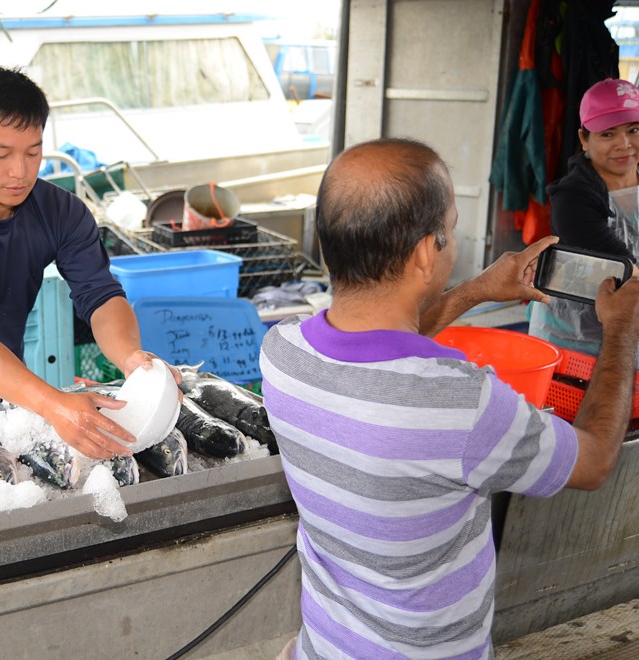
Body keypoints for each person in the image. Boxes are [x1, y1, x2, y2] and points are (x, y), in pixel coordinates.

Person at [261, 138, 639, 659]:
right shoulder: (463, 402)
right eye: (451, 229)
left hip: (327, 646)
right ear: (424, 252)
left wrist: (476, 290)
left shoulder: (282, 351)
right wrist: (621, 331)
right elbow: (594, 459)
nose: (453, 243)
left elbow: (384, 351)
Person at [0, 66, 175, 459]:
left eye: (33, 152)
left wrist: (130, 357)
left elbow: (100, 294)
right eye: (1, 154)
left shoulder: (62, 212)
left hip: (7, 374)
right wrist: (54, 404)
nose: (19, 171)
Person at [529, 78, 639, 359]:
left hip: (630, 330)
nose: (624, 145)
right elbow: (623, 270)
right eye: (607, 134)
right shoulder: (572, 196)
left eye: (634, 130)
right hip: (574, 341)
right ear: (584, 139)